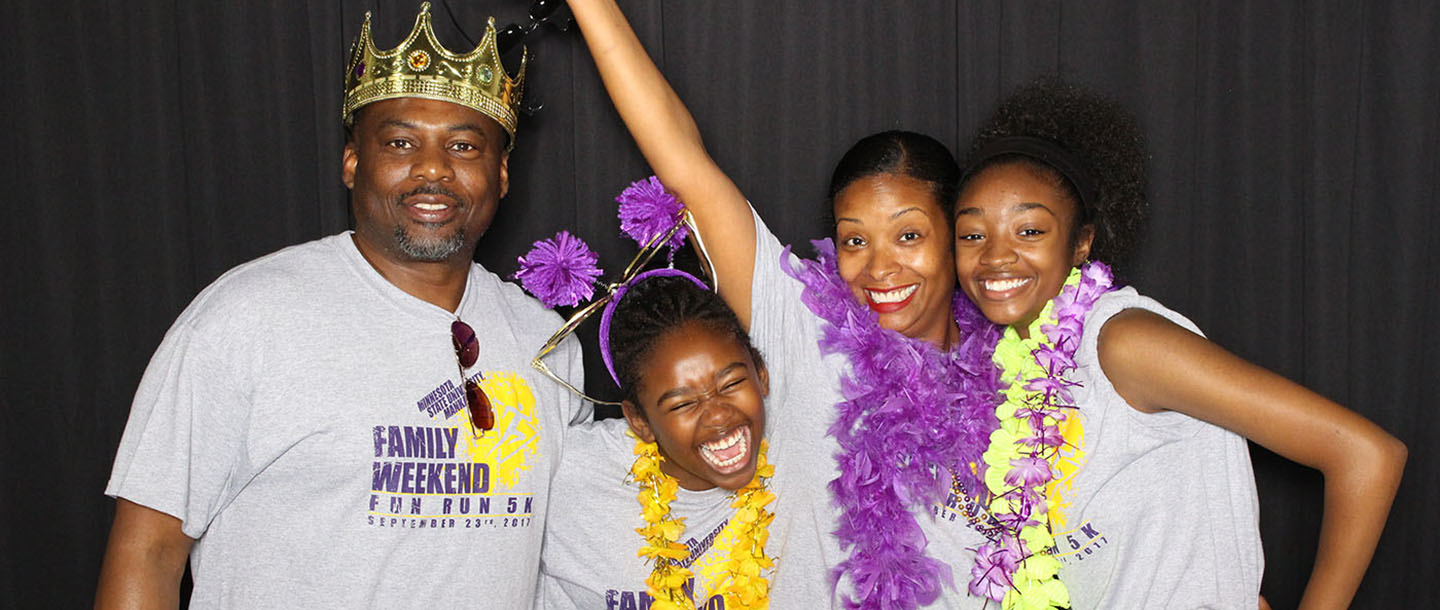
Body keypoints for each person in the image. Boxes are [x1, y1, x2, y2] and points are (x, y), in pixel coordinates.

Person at [94, 4, 588, 608]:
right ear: (353, 162)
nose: (433, 169)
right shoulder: (247, 317)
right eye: (401, 142)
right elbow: (147, 552)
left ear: (502, 173)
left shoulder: (548, 346)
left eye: (464, 147)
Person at [569, 1, 1002, 608]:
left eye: (909, 236)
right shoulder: (801, 327)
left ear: (956, 236)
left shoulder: (1019, 373)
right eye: (855, 239)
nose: (879, 268)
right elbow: (681, 159)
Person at [950, 78, 1407, 609]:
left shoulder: (1123, 340)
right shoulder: (1008, 368)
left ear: (1082, 242)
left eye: (1030, 231)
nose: (996, 256)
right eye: (972, 234)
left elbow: (1367, 456)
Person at [535, 272, 776, 610]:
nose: (718, 415)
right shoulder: (567, 474)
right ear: (639, 420)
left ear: (761, 374)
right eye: (683, 404)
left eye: (731, 384)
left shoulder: (803, 453)